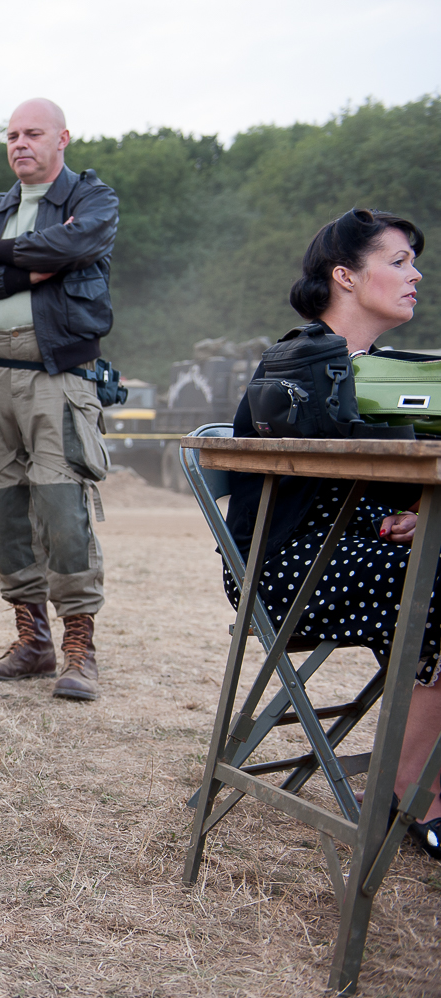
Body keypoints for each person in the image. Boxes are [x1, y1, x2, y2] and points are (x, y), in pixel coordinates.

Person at [225, 208, 440, 854]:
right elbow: (305, 495)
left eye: (413, 262)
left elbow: (365, 488)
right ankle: (410, 791)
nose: (416, 275)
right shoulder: (298, 367)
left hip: (353, 551)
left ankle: (417, 777)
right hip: (285, 570)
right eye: (398, 262)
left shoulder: (379, 371)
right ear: (344, 276)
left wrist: (403, 516)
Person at [0, 98, 119, 701]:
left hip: (57, 375)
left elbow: (79, 246)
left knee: (63, 507)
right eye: (12, 135)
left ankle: (79, 649)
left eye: (33, 133)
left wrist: (4, 256)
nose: (20, 143)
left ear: (63, 137)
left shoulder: (92, 200)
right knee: (1, 511)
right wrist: (31, 262)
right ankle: (33, 641)